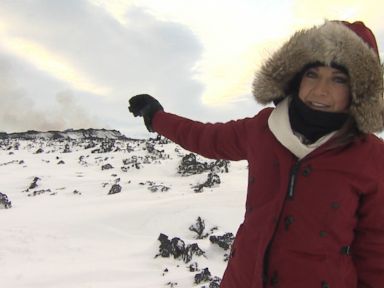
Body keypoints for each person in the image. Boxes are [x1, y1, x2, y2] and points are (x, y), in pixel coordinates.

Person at [128, 20, 384, 288]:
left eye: (339, 79)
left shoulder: (371, 158)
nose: (321, 89)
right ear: (296, 77)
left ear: (359, 91)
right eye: (312, 74)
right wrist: (157, 118)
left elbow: (376, 255)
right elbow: (205, 137)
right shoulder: (263, 129)